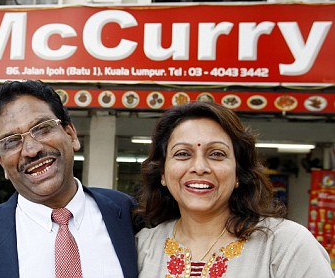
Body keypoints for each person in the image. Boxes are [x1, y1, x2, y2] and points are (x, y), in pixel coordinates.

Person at [0, 80, 138, 278]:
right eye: (11, 141)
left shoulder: (130, 214)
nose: (31, 149)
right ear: (1, 162)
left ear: (71, 135)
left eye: (42, 128)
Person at [135, 101, 334, 278]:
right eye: (183, 153)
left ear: (239, 173)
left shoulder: (285, 245)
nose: (199, 167)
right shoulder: (141, 247)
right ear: (162, 173)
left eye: (216, 154)